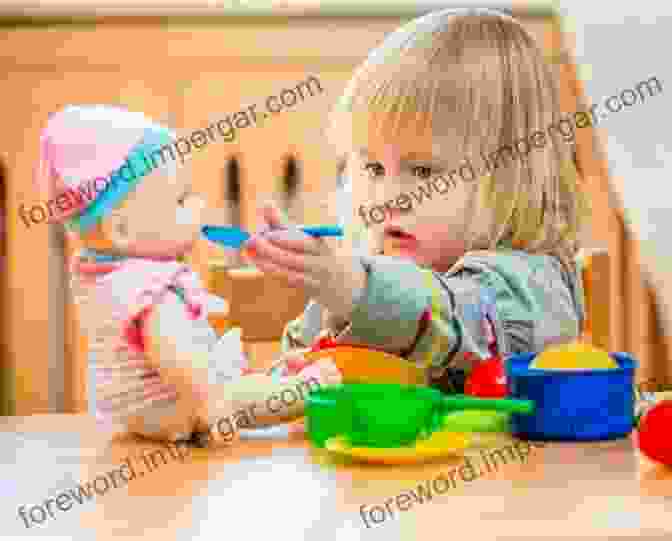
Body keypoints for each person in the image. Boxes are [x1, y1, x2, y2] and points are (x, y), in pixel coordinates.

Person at [244, 7, 590, 392]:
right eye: (374, 168)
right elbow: (291, 373)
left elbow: (454, 321)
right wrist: (289, 378)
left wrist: (354, 289)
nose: (388, 198)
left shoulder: (530, 287)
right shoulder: (365, 270)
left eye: (423, 172)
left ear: (512, 178)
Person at [37, 104, 340, 446]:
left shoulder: (100, 273)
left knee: (246, 386)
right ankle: (302, 390)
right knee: (241, 398)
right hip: (178, 402)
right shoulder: (150, 288)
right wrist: (211, 405)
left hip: (142, 409)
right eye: (181, 200)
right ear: (121, 228)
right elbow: (175, 354)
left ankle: (280, 380)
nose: (198, 204)